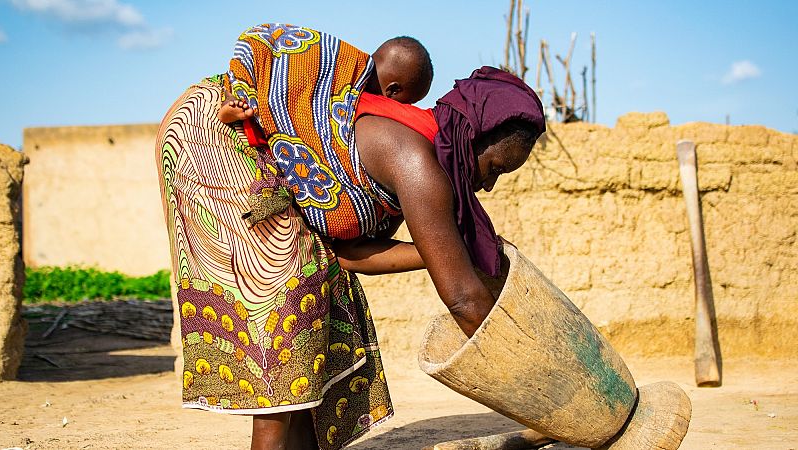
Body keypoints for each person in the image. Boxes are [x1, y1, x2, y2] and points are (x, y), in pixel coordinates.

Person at [155, 23, 544, 450]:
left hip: (204, 130)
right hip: (213, 134)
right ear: (473, 137)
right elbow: (464, 300)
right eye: (495, 168)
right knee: (291, 292)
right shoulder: (417, 162)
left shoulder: (411, 154)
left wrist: (443, 252)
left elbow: (348, 254)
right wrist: (544, 388)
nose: (488, 185)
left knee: (324, 282)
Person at [218, 35, 433, 123]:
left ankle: (233, 98)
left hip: (265, 61)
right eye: (407, 103)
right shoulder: (346, 66)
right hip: (274, 64)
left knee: (251, 84)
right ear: (393, 90)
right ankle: (233, 100)